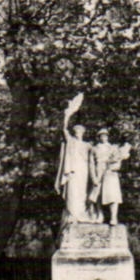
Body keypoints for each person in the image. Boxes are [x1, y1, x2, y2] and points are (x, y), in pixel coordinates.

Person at [54, 94, 92, 223]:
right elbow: (64, 130)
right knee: (73, 191)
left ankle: (81, 213)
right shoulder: (71, 141)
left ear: (83, 133)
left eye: (80, 132)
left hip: (83, 169)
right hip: (73, 170)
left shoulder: (87, 145)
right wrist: (67, 115)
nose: (78, 133)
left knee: (82, 192)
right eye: (76, 131)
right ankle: (73, 214)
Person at [88, 128, 129, 226]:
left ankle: (113, 217)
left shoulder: (113, 148)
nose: (104, 137)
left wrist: (114, 166)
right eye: (101, 136)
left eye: (105, 135)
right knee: (97, 194)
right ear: (98, 137)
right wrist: (93, 177)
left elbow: (118, 160)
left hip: (110, 173)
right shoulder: (94, 149)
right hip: (99, 171)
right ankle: (100, 215)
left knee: (113, 195)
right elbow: (91, 164)